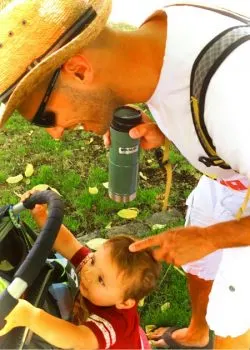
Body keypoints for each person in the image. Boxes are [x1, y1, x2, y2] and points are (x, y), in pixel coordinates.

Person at [1, 0, 250, 348]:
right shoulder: (164, 38)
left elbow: (231, 118)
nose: (55, 134)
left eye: (45, 118)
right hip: (226, 180)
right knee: (203, 266)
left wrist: (210, 238)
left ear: (79, 69)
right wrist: (176, 130)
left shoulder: (236, 96)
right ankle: (196, 333)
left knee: (232, 309)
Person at [0, 202, 161, 349]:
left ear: (125, 303)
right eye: (93, 260)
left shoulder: (114, 323)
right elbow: (69, 244)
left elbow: (78, 339)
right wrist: (43, 217)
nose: (88, 273)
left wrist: (31, 316)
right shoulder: (96, 269)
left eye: (101, 280)